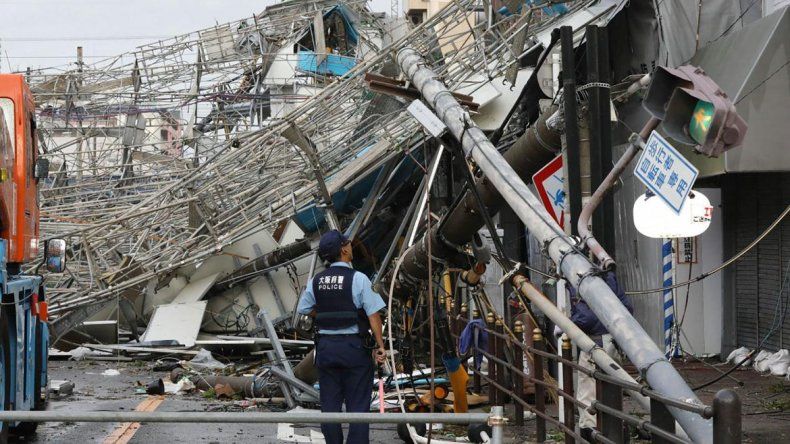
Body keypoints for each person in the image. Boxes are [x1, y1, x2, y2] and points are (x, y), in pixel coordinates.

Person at [297, 229, 387, 444]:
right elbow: (373, 315)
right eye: (348, 244)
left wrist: (326, 314)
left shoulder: (316, 281)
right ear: (344, 250)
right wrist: (380, 346)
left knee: (329, 406)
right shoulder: (358, 279)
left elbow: (304, 308)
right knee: (358, 406)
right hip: (354, 349)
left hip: (326, 349)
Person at [555, 271, 633, 439]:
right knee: (613, 386)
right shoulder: (609, 276)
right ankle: (615, 427)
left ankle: (590, 430)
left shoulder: (580, 278)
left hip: (594, 342)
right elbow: (627, 308)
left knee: (588, 387)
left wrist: (566, 325)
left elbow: (586, 317)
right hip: (614, 339)